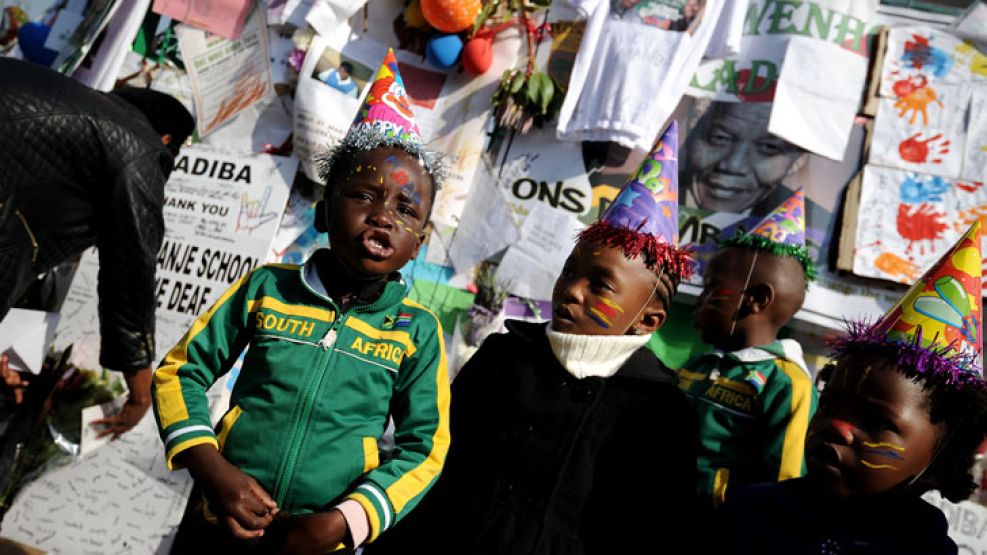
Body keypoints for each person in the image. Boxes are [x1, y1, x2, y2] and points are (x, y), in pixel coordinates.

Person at [153, 50, 450, 553]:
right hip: (219, 520)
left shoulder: (416, 331)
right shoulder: (268, 287)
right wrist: (208, 465)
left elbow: (425, 449)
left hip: (317, 541)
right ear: (323, 211)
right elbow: (181, 371)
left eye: (405, 209)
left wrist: (344, 522)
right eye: (364, 196)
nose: (383, 217)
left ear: (417, 243)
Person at [367, 122, 698, 555]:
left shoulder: (663, 414)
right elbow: (434, 467)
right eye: (569, 272)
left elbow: (654, 536)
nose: (572, 290)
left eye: (601, 285)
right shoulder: (503, 359)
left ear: (648, 320)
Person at [702, 222, 987, 554]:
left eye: (877, 421)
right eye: (830, 405)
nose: (837, 427)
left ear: (943, 455)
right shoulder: (749, 514)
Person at [0, 58, 194, 437]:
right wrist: (140, 393)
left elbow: (18, 225)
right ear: (167, 140)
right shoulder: (139, 148)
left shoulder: (68, 107)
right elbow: (131, 272)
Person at [679, 189, 818, 515]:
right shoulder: (698, 364)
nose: (699, 301)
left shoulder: (787, 385)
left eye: (711, 288)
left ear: (756, 299)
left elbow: (785, 486)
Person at [681, 101, 806, 215]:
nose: (733, 165)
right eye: (720, 138)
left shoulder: (812, 228)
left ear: (799, 160)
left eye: (768, 147)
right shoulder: (663, 196)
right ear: (693, 124)